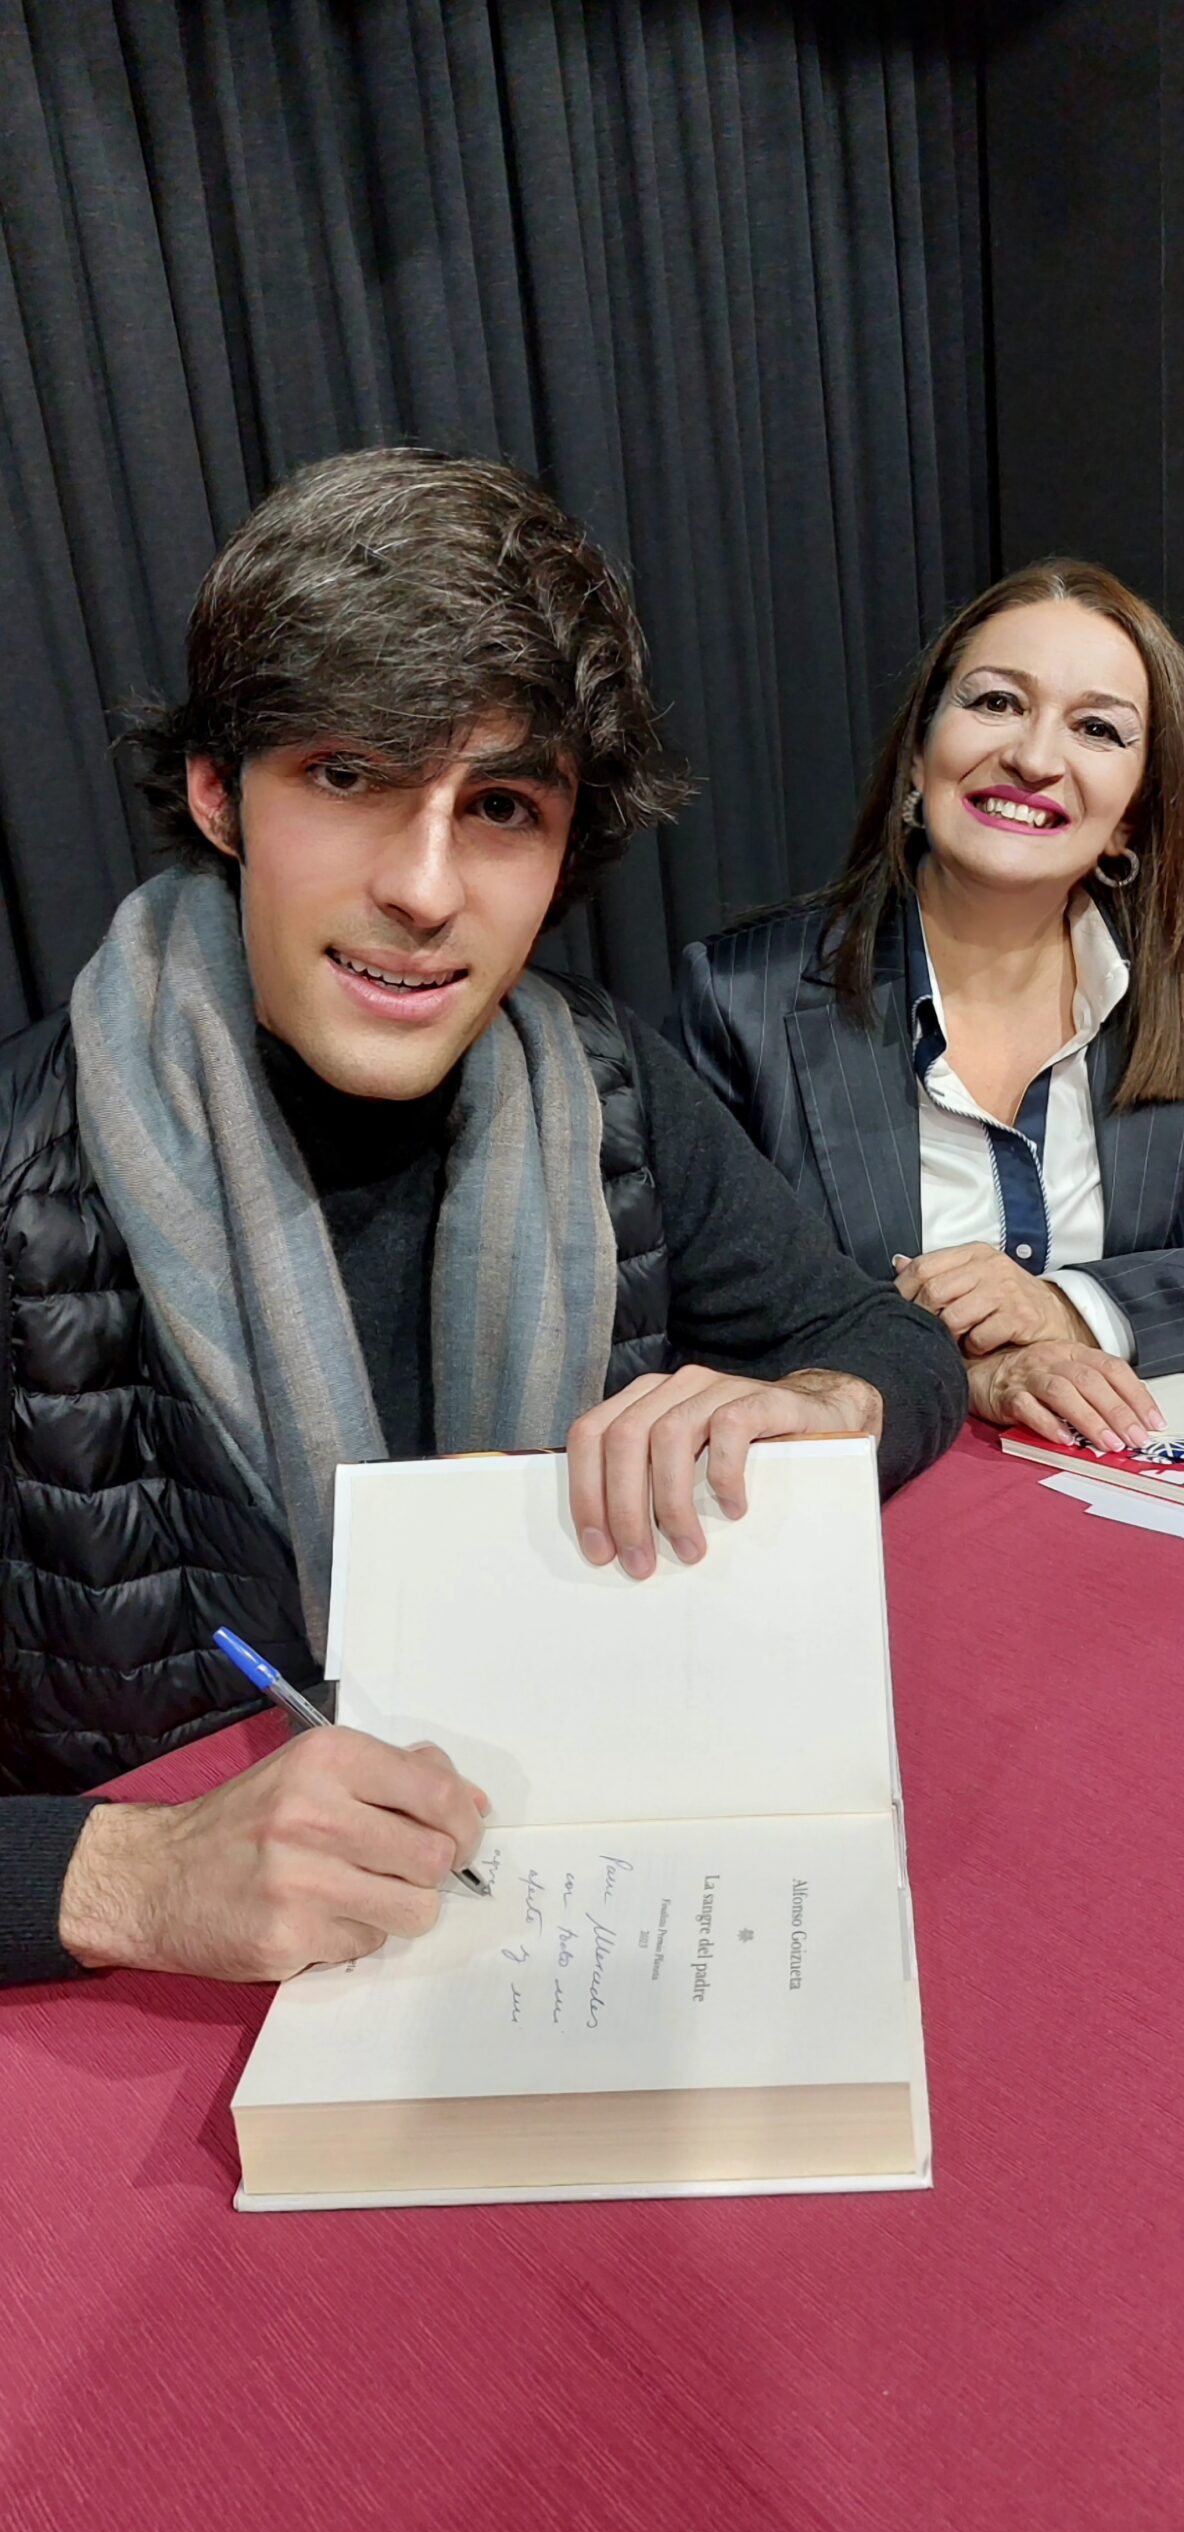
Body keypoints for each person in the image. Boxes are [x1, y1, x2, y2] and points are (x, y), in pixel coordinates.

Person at [0, 449, 965, 1992]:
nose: (427, 886)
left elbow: (885, 1347)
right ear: (215, 792)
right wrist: (126, 1871)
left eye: (500, 805)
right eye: (345, 775)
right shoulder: (19, 1168)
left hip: (552, 1946)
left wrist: (808, 1407)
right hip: (145, 2055)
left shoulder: (610, 1093)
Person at [670, 558, 1184, 1456]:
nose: (1033, 756)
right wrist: (952, 1368)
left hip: (1131, 1509)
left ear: (1133, 814)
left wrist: (1073, 1307)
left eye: (1097, 728)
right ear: (917, 751)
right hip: (890, 1509)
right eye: (993, 703)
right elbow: (697, 1317)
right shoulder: (742, 1002)